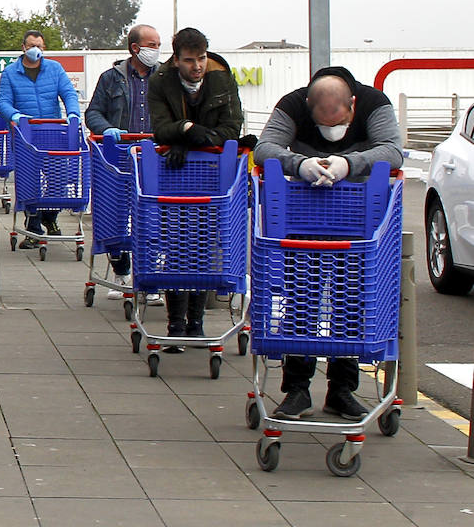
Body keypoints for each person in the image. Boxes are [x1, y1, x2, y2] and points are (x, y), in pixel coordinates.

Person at [254, 66, 404, 420]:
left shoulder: (374, 103)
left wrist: (350, 164)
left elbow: (393, 151)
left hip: (359, 218)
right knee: (301, 298)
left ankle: (342, 389)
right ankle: (297, 388)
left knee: (350, 301)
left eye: (338, 121)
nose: (331, 130)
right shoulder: (293, 104)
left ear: (352, 104)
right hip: (304, 218)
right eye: (322, 122)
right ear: (309, 105)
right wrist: (300, 164)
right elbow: (264, 148)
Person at [147, 26, 243, 351]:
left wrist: (191, 138)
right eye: (189, 60)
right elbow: (161, 129)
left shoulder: (221, 78)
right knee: (176, 244)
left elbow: (232, 127)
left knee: (203, 245)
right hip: (174, 173)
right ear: (176, 60)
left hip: (212, 174)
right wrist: (187, 130)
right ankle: (175, 324)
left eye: (200, 58)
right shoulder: (161, 81)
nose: (197, 66)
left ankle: (196, 324)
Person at [86, 24, 162, 292]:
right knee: (114, 217)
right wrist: (107, 129)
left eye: (158, 45)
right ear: (135, 48)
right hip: (118, 158)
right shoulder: (111, 78)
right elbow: (93, 113)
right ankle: (121, 271)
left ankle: (149, 276)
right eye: (152, 45)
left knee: (153, 218)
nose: (156, 50)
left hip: (154, 159)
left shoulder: (164, 79)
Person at [0, 30, 81, 247]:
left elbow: (68, 93)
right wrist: (15, 116)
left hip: (53, 133)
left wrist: (73, 113)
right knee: (29, 182)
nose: (36, 50)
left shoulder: (54, 68)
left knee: (59, 178)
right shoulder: (10, 73)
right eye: (32, 45)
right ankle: (33, 227)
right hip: (26, 136)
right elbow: (3, 101)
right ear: (23, 47)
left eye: (40, 46)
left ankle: (49, 216)